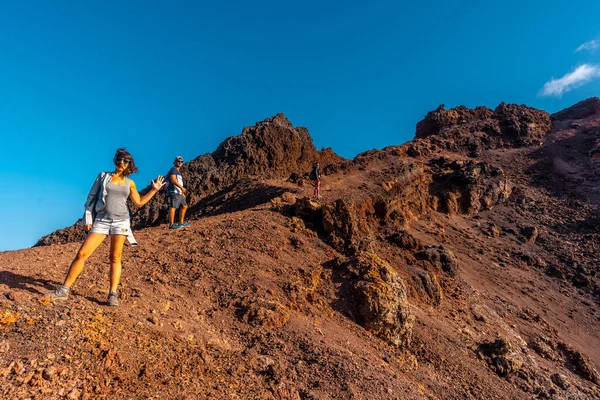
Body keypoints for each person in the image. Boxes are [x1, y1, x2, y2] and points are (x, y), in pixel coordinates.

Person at [45, 148, 164, 307]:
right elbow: (91, 198)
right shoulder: (103, 176)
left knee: (115, 257)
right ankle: (64, 290)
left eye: (125, 160)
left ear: (129, 164)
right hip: (101, 221)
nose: (121, 162)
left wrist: (154, 189)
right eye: (119, 159)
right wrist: (88, 217)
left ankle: (112, 294)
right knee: (82, 253)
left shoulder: (130, 183)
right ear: (115, 160)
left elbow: (139, 203)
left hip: (121, 222)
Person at [167, 155, 190, 229]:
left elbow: (178, 181)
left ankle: (181, 222)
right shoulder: (173, 169)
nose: (180, 162)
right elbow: (173, 180)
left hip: (179, 192)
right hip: (174, 191)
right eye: (178, 161)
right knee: (173, 207)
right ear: (175, 162)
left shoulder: (178, 172)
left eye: (181, 161)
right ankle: (171, 224)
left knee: (184, 206)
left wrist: (182, 192)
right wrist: (182, 188)